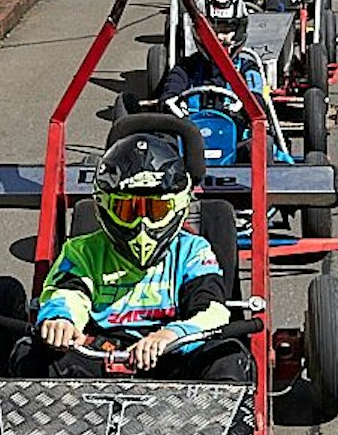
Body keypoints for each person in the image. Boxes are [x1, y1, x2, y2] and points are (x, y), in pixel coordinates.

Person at [19, 132, 251, 383]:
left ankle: (210, 421)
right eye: (127, 210)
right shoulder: (83, 251)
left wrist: (169, 335)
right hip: (100, 352)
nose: (143, 223)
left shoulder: (193, 250)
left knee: (228, 357)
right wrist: (62, 321)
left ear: (178, 206)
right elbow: (68, 293)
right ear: (104, 206)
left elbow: (211, 310)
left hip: (173, 350)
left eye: (156, 209)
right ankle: (57, 420)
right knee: (29, 355)